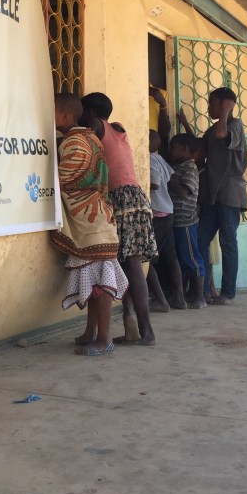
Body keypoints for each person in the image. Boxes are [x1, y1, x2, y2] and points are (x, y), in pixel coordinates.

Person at [51, 93, 128, 356]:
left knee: (100, 285)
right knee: (95, 283)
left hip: (91, 223)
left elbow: (65, 179)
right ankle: (91, 332)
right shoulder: (90, 137)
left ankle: (104, 339)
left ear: (65, 115)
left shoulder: (74, 142)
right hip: (98, 220)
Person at [79, 92, 158, 346]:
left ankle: (146, 332)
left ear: (90, 113)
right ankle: (134, 328)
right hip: (135, 198)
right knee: (127, 265)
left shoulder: (97, 126)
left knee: (131, 265)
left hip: (120, 199)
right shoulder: (118, 129)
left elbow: (85, 142)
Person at [196, 87, 247, 305]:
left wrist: (227, 110)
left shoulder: (234, 126)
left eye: (213, 103)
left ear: (226, 105)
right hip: (212, 195)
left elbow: (221, 135)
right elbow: (201, 148)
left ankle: (228, 292)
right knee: (200, 241)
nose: (209, 107)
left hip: (229, 194)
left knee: (228, 243)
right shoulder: (213, 128)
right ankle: (205, 290)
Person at [148, 129, 186, 311]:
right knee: (170, 257)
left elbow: (154, 183)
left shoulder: (148, 159)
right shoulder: (160, 159)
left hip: (156, 214)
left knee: (146, 258)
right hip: (167, 211)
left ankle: (160, 300)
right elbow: (170, 179)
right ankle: (179, 297)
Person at [168, 133, 206, 309]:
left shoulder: (189, 167)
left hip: (186, 221)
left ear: (184, 149)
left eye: (173, 147)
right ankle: (182, 295)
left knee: (192, 258)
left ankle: (200, 297)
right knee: (183, 259)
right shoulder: (180, 166)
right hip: (177, 220)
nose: (171, 151)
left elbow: (184, 192)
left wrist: (170, 179)